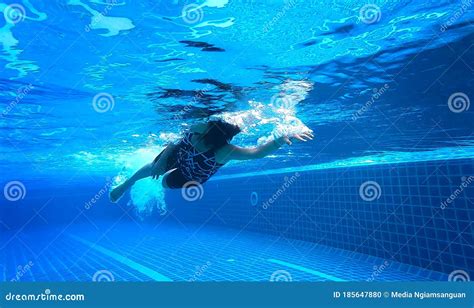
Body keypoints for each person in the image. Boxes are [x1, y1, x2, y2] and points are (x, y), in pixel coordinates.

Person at [109, 120, 313, 202]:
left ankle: (158, 172)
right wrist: (162, 160)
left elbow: (255, 153)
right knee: (157, 168)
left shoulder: (224, 151)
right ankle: (126, 184)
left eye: (207, 127)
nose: (199, 130)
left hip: (191, 175)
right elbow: (173, 142)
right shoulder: (198, 127)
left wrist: (279, 140)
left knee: (163, 182)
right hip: (178, 155)